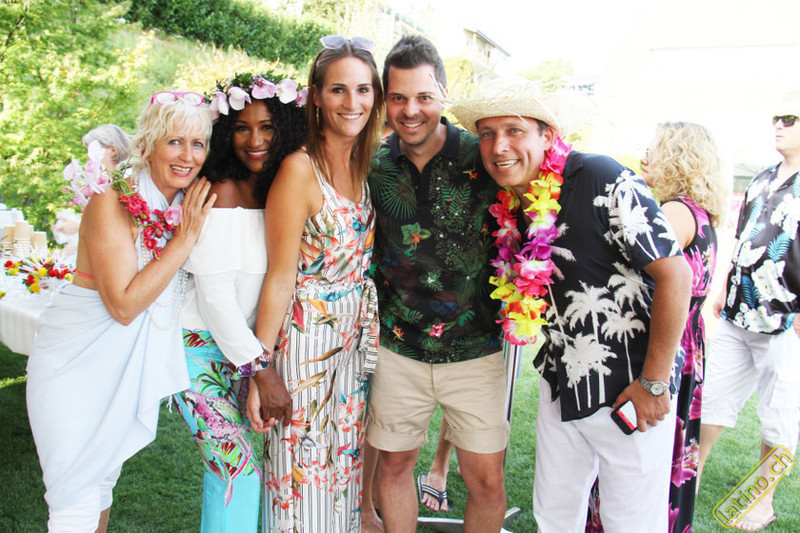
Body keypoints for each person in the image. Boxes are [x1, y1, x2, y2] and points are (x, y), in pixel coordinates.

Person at [451, 77, 692, 533]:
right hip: (560, 380)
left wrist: (654, 382)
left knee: (631, 524)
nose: (499, 146)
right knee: (554, 516)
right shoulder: (513, 200)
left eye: (514, 130)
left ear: (548, 136)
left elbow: (675, 273)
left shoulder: (602, 176)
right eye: (487, 133)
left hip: (629, 384)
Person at [26, 91, 215, 532]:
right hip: (74, 363)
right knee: (74, 496)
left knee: (102, 483)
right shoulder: (112, 199)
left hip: (125, 366)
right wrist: (185, 239)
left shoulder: (181, 204)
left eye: (198, 144)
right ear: (147, 144)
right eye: (174, 141)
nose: (187, 156)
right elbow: (124, 305)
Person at [367, 34, 506, 533]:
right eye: (398, 97)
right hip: (397, 347)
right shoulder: (373, 163)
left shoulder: (482, 155)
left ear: (444, 95)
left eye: (424, 96)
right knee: (394, 467)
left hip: (476, 350)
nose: (411, 110)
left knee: (486, 481)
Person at [246, 35, 384, 532]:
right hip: (304, 349)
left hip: (352, 345)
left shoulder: (362, 164)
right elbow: (280, 276)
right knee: (300, 479)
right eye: (339, 90)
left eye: (364, 90)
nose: (353, 102)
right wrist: (262, 371)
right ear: (317, 97)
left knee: (341, 472)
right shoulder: (299, 170)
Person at [175, 73, 307, 533]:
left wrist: (255, 364)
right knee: (238, 472)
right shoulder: (222, 191)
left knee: (236, 474)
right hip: (200, 353)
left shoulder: (276, 191)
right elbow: (215, 300)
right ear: (224, 133)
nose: (255, 140)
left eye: (267, 127)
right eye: (242, 128)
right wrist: (262, 372)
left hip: (243, 356)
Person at [585, 122, 728, 532]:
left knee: (634, 464)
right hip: (687, 345)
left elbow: (635, 273)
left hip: (660, 348)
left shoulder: (675, 213)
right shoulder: (700, 214)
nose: (644, 157)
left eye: (654, 149)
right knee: (660, 461)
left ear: (677, 157)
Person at [698, 92, 800, 532]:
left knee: (780, 416)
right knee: (711, 399)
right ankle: (688, 477)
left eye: (791, 119)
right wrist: (723, 285)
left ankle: (763, 500)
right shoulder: (762, 178)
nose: (780, 125)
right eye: (778, 117)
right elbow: (742, 238)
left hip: (787, 322)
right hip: (738, 313)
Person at [53, 125, 133, 254]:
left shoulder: (128, 183)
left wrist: (78, 228)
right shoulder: (106, 182)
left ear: (113, 150)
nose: (90, 159)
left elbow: (123, 230)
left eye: (92, 151)